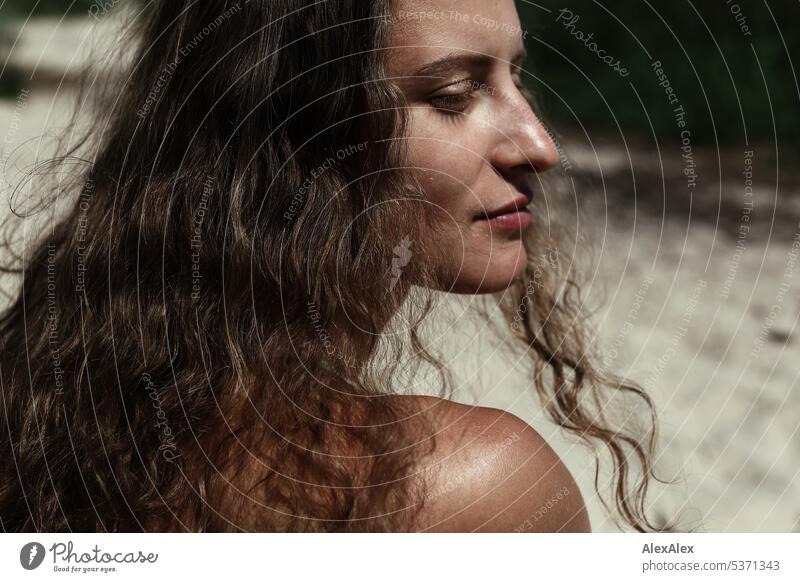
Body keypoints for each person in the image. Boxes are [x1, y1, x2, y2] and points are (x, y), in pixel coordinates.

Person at [0, 0, 665, 532]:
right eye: (455, 94)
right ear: (298, 136)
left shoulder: (60, 407)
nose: (538, 144)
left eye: (516, 76)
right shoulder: (473, 491)